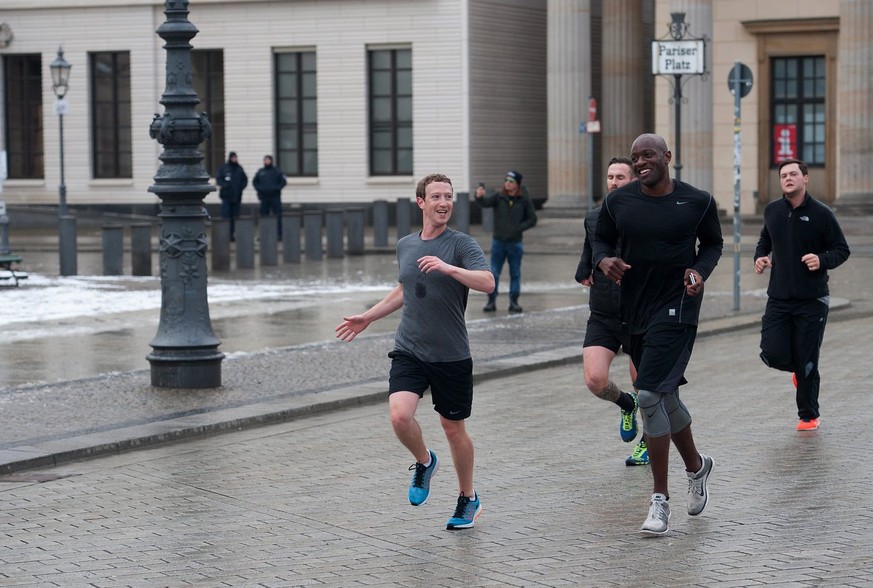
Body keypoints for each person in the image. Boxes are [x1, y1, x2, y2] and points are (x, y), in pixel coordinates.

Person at [335, 173, 495, 530]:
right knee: (399, 416)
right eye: (436, 196)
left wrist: (449, 268)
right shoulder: (406, 244)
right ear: (421, 202)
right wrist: (369, 317)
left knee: (453, 428)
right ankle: (425, 462)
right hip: (409, 348)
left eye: (449, 197)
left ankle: (468, 498)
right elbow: (406, 288)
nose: (443, 203)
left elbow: (488, 282)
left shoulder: (461, 245)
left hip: (451, 353)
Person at [593, 134, 723, 536]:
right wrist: (603, 260)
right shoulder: (619, 201)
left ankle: (659, 501)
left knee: (647, 394)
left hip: (678, 307)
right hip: (634, 309)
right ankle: (698, 467)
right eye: (635, 158)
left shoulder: (697, 201)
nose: (641, 162)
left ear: (667, 156)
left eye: (648, 155)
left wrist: (699, 272)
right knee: (666, 395)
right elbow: (599, 240)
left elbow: (714, 244)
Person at [753, 158, 850, 432]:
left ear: (805, 178)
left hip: (812, 300)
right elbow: (765, 240)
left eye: (793, 174)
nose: (787, 178)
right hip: (779, 298)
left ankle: (809, 415)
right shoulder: (772, 211)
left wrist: (822, 259)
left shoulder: (822, 213)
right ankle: (800, 372)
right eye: (783, 175)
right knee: (771, 353)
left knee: (808, 359)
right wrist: (760, 256)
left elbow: (841, 249)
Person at [575, 157, 647, 466]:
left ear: (633, 181)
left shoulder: (648, 217)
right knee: (595, 380)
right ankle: (625, 403)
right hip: (603, 312)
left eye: (620, 176)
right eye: (610, 176)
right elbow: (589, 250)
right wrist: (583, 270)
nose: (614, 181)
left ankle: (648, 442)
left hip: (640, 313)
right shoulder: (593, 218)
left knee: (648, 387)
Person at [475, 170, 537, 313]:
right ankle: (491, 301)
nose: (507, 184)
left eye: (511, 181)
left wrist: (518, 228)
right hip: (499, 242)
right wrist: (479, 197)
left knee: (515, 273)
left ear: (517, 184)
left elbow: (532, 219)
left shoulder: (524, 199)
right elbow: (485, 202)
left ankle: (514, 302)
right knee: (494, 273)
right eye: (506, 181)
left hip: (515, 243)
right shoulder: (499, 197)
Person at [215, 151, 248, 241]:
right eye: (233, 158)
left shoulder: (239, 169)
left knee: (235, 217)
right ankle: (225, 235)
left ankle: (232, 235)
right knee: (225, 216)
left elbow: (245, 180)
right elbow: (218, 179)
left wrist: (241, 187)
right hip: (226, 196)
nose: (235, 159)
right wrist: (225, 186)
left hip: (236, 197)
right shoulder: (224, 168)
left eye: (235, 157)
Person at [253, 155, 287, 239]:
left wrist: (276, 188)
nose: (267, 162)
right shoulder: (261, 172)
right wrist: (260, 189)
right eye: (265, 160)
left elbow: (283, 182)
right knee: (264, 216)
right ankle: (264, 234)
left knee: (277, 215)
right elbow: (255, 182)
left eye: (268, 160)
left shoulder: (277, 171)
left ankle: (279, 235)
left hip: (275, 197)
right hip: (264, 197)